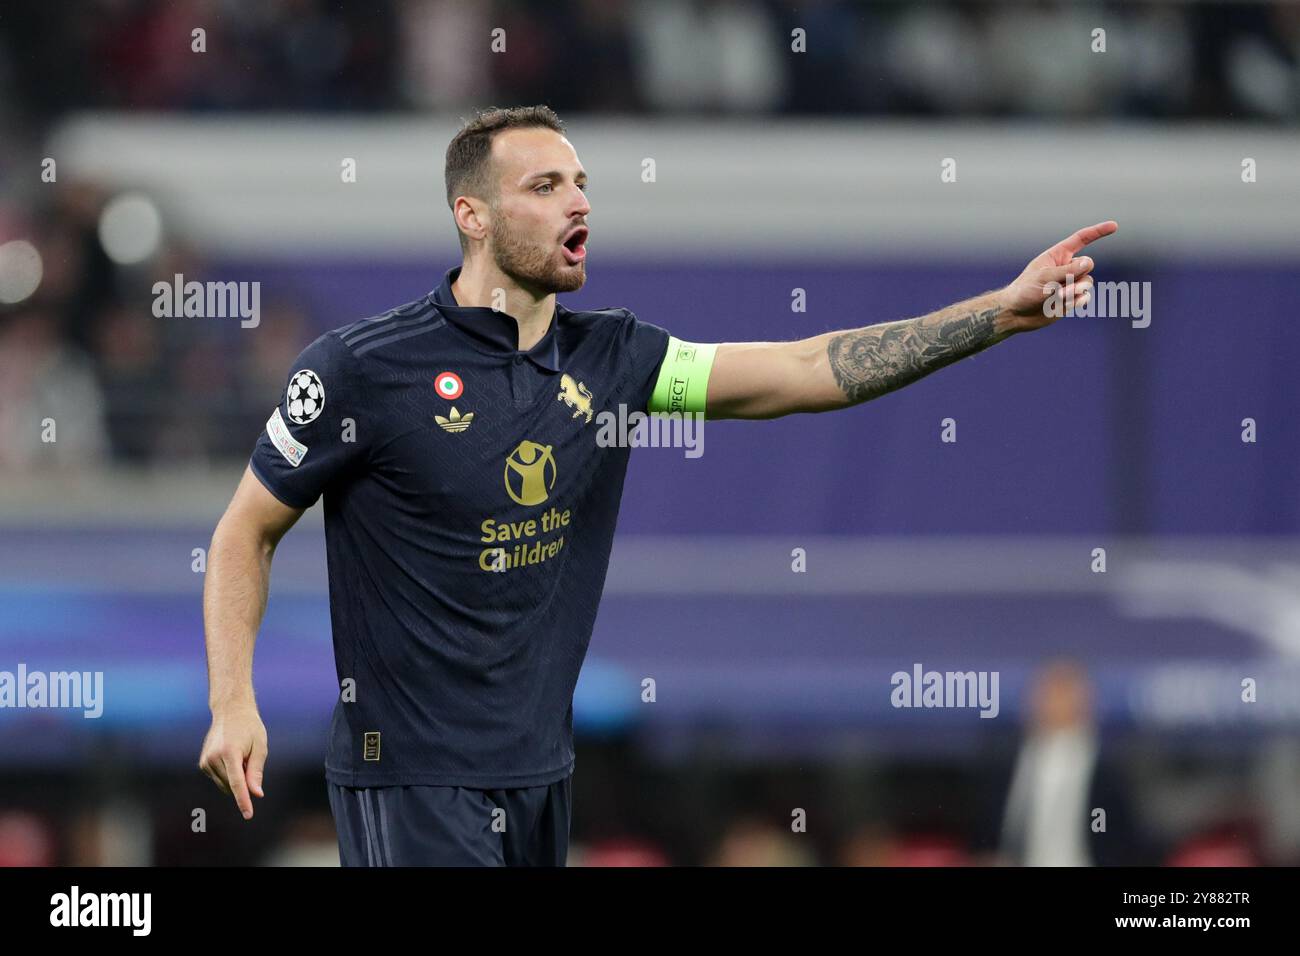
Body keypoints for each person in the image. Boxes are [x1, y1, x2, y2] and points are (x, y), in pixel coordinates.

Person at [199, 104, 1117, 866]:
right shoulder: (361, 370)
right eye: (545, 186)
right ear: (471, 215)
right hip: (410, 776)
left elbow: (804, 370)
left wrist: (994, 315)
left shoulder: (619, 361)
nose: (578, 202)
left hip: (540, 774)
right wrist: (233, 701)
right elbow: (246, 530)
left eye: (583, 184)